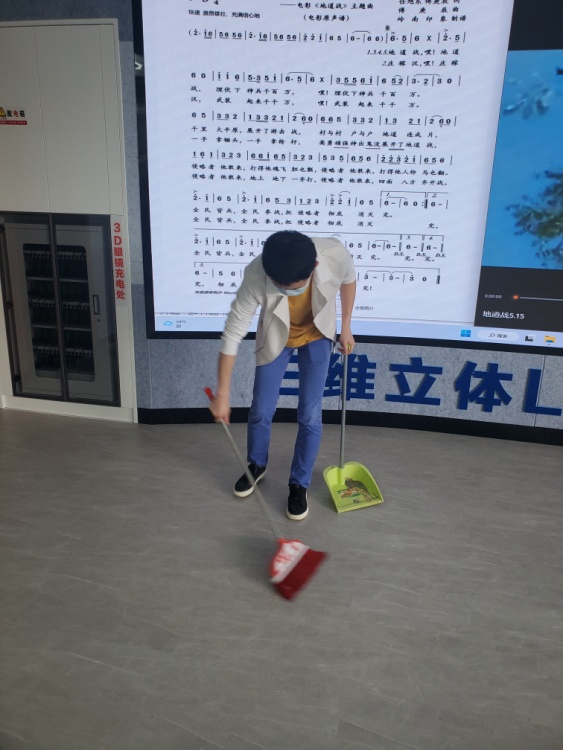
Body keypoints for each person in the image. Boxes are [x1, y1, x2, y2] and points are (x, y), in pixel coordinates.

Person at [209, 230, 356, 521]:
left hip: (318, 336)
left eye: (294, 287)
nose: (287, 291)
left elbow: (349, 279)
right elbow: (232, 335)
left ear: (314, 267)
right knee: (261, 408)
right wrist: (222, 394)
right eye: (280, 287)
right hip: (276, 338)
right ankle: (256, 464)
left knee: (310, 414)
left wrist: (347, 325)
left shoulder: (333, 254)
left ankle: (299, 483)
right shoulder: (256, 274)